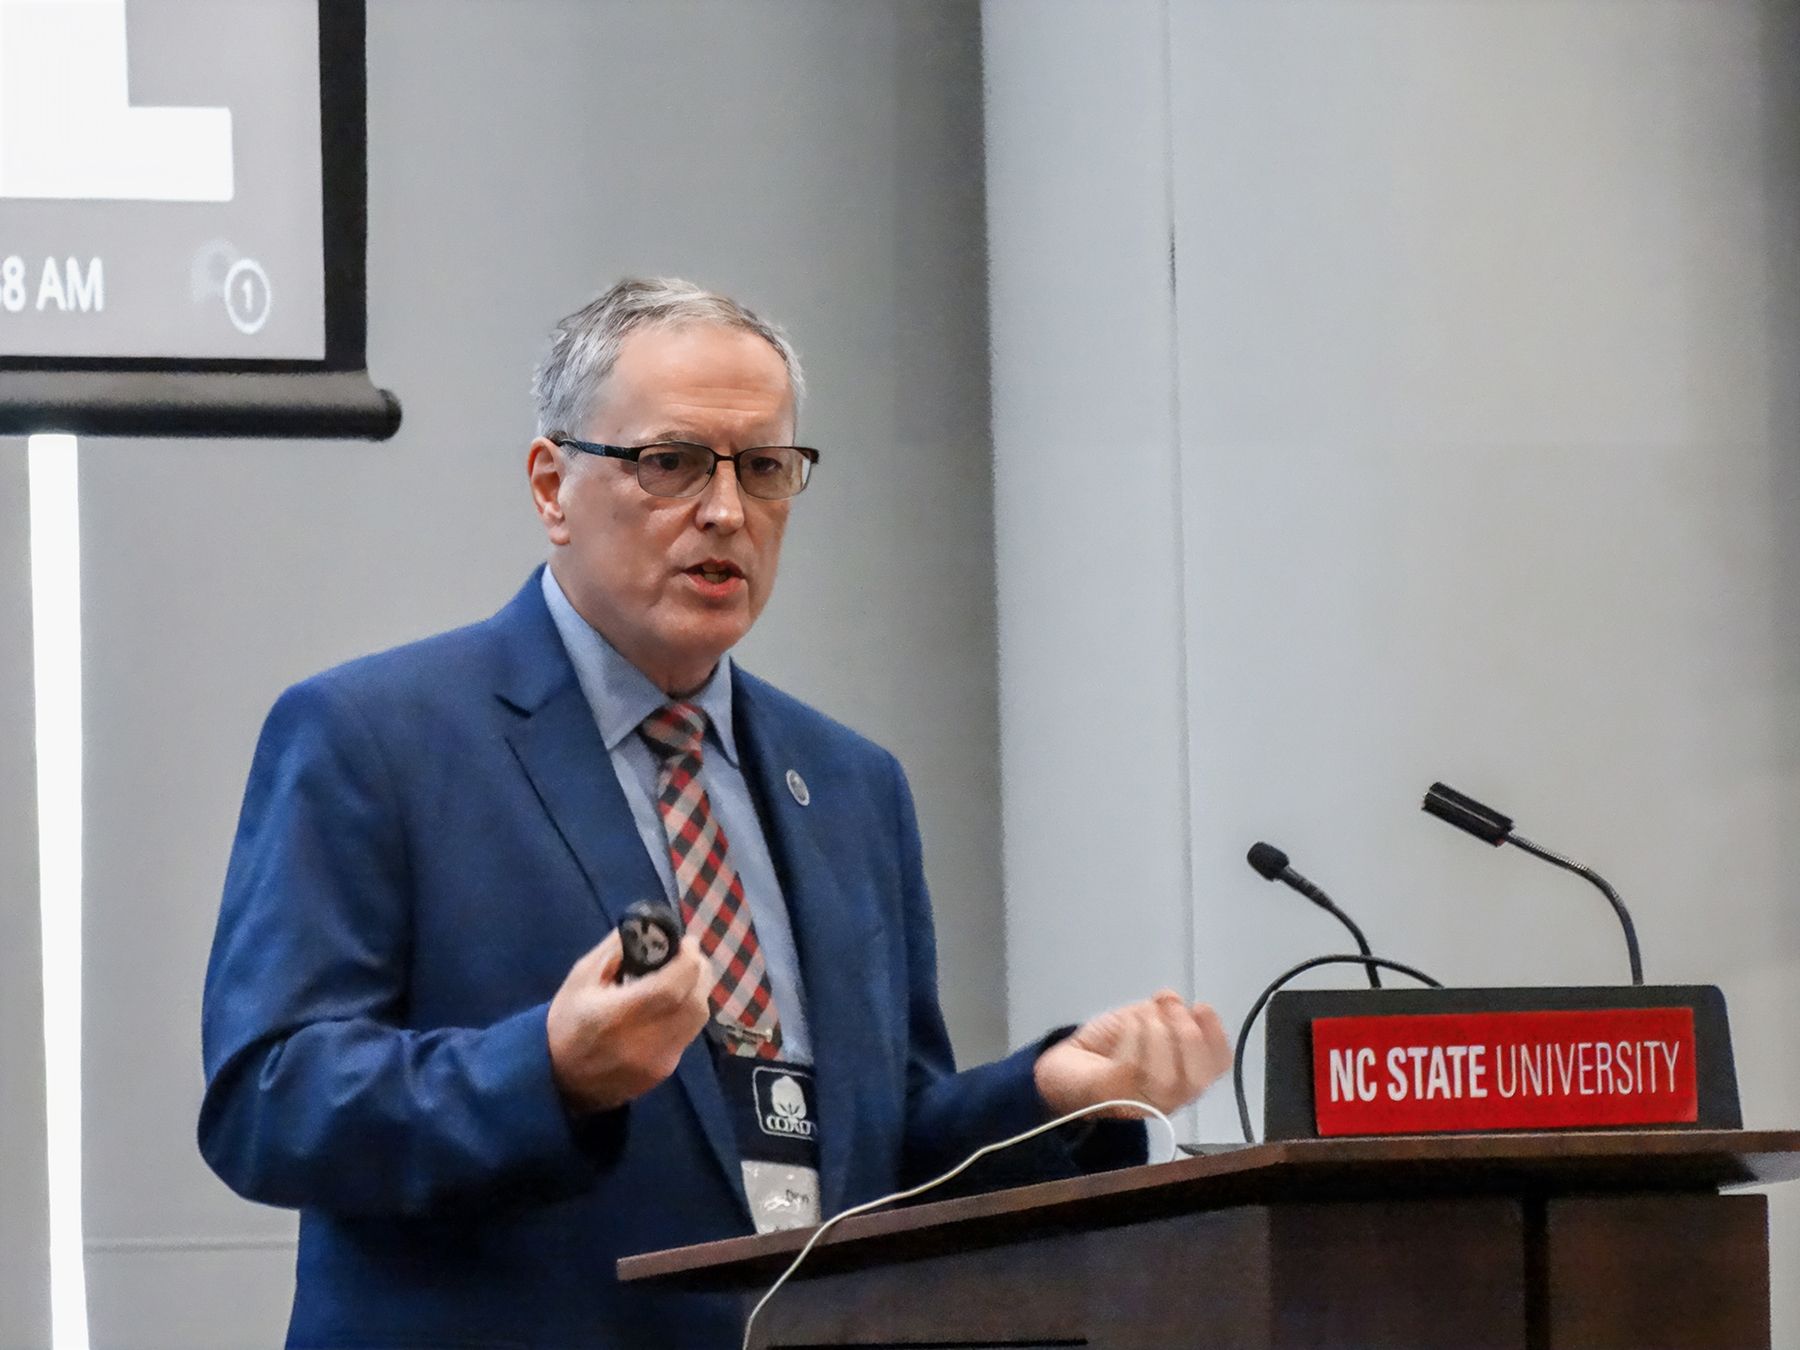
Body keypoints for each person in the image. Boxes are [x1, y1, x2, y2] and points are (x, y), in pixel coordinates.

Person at [199, 278, 1232, 1349]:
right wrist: (546, 1075)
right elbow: (271, 1100)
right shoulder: (376, 738)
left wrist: (1053, 1096)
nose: (728, 511)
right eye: (672, 462)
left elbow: (877, 1154)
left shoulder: (850, 785)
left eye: (765, 468)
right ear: (553, 486)